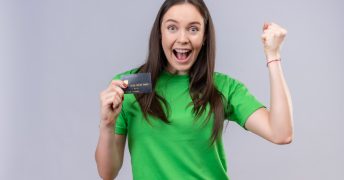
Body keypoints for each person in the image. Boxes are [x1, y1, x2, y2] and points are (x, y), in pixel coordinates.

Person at [95, 0, 293, 179]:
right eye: (172, 28)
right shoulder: (127, 87)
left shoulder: (223, 87)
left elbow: (281, 133)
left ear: (205, 36)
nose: (183, 39)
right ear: (160, 33)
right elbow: (107, 173)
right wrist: (107, 124)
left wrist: (273, 55)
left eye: (193, 29)